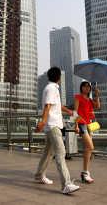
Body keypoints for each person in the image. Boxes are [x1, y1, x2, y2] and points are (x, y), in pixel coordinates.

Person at [34, 67, 80, 195]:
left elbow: (56, 105)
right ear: (59, 77)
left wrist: (69, 111)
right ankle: (66, 184)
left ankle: (39, 175)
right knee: (61, 152)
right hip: (52, 125)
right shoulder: (51, 89)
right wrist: (43, 121)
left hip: (52, 125)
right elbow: (47, 105)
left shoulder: (52, 89)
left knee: (48, 152)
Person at [73, 81, 101, 184]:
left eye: (88, 87)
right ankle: (85, 172)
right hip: (81, 124)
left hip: (89, 125)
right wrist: (75, 125)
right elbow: (75, 112)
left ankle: (85, 173)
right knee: (90, 147)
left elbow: (97, 106)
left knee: (88, 149)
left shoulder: (89, 100)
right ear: (81, 88)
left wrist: (97, 95)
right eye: (84, 86)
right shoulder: (78, 97)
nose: (86, 88)